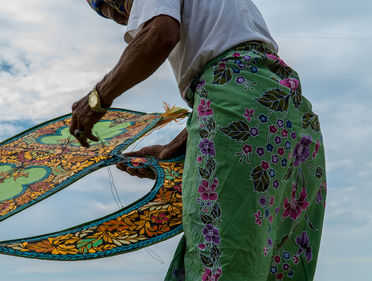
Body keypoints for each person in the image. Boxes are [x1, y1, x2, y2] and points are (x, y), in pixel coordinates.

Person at [71, 0, 327, 280]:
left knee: (222, 258)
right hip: (292, 114)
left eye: (113, 11)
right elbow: (244, 70)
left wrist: (96, 99)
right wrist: (180, 143)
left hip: (240, 107)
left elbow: (160, 35)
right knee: (276, 260)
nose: (123, 21)